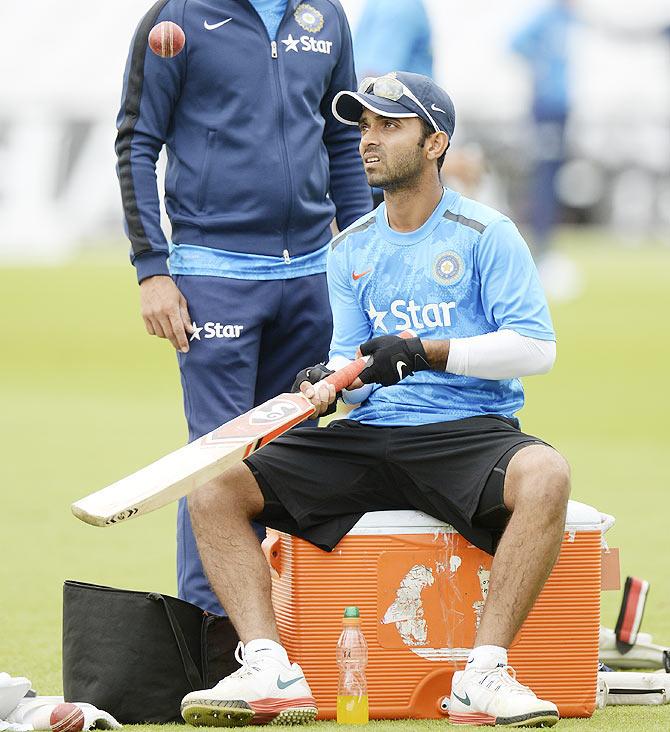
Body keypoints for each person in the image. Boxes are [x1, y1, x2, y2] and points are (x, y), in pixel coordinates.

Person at [180, 72, 569, 728]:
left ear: (436, 141)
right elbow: (354, 357)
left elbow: (536, 347)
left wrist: (427, 351)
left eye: (390, 126)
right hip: (371, 431)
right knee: (215, 490)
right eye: (364, 126)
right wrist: (327, 380)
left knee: (547, 474)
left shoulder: (486, 232)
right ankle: (271, 669)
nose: (369, 140)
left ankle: (483, 675)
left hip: (466, 428)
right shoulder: (349, 247)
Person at [115, 1, 371, 615]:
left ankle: (295, 631)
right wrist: (153, 269)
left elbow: (343, 137)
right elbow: (136, 143)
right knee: (218, 463)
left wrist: (368, 256)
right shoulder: (176, 18)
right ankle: (215, 641)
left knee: (300, 457)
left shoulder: (326, 15)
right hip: (214, 274)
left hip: (313, 272)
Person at [510, 0, 582, 300]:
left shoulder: (567, 18)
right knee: (545, 177)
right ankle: (540, 247)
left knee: (553, 176)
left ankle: (546, 244)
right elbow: (515, 43)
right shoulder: (545, 17)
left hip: (561, 106)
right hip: (546, 106)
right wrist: (539, 67)